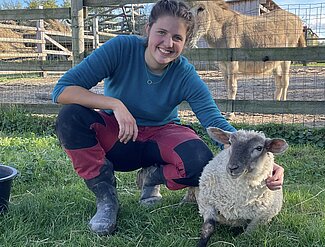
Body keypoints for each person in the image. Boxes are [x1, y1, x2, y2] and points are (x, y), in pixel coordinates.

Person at [52, 0, 284, 236]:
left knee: (199, 163)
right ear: (148, 30)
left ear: (185, 42)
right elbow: (62, 91)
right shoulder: (121, 49)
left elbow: (215, 122)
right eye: (161, 33)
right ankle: (106, 198)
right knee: (70, 116)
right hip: (120, 136)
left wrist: (268, 162)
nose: (168, 43)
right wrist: (115, 104)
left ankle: (151, 177)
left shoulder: (184, 74)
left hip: (161, 136)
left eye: (177, 38)